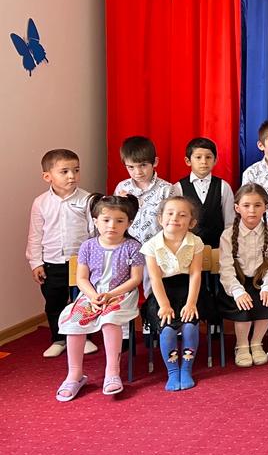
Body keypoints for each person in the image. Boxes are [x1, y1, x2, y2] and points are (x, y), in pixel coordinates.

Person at [54, 194, 144, 401]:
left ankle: (112, 372)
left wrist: (111, 294)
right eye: (106, 220)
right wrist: (93, 296)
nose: (112, 225)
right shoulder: (87, 246)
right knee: (74, 322)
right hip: (92, 295)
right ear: (96, 221)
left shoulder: (133, 247)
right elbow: (81, 278)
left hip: (120, 294)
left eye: (119, 220)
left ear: (129, 223)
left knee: (109, 320)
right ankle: (74, 374)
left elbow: (135, 279)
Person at [26, 149, 98, 358]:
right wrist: (35, 263)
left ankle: (83, 337)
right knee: (54, 302)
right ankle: (59, 339)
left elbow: (94, 232)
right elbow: (35, 235)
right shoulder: (40, 203)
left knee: (82, 302)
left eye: (76, 170)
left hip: (80, 263)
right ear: (47, 176)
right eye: (64, 171)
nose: (72, 176)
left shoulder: (87, 199)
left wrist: (95, 260)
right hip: (52, 262)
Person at [141, 196, 211, 391]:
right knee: (168, 329)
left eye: (182, 215)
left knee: (189, 327)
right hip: (163, 292)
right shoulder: (151, 245)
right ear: (160, 219)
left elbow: (195, 274)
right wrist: (164, 305)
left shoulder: (195, 242)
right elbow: (155, 279)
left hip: (189, 291)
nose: (175, 218)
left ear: (192, 222)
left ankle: (186, 369)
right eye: (170, 213)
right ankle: (173, 371)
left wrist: (191, 303)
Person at [219, 184, 268, 367]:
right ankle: (241, 345)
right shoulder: (228, 235)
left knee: (266, 302)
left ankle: (256, 342)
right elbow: (226, 270)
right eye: (246, 205)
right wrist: (238, 292)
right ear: (237, 208)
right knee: (244, 306)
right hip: (236, 283)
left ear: (266, 207)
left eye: (257, 205)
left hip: (261, 281)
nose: (252, 210)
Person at [170, 137, 234, 248]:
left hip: (218, 248)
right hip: (188, 248)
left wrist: (227, 246)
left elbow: (230, 221)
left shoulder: (223, 186)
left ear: (215, 160)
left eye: (208, 157)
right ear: (188, 161)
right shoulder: (178, 188)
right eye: (198, 157)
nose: (204, 162)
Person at [114, 136, 173, 245]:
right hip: (127, 246)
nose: (138, 172)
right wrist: (118, 204)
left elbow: (173, 221)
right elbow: (114, 218)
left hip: (158, 247)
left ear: (155, 162)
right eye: (131, 167)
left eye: (143, 165)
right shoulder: (122, 187)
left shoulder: (166, 189)